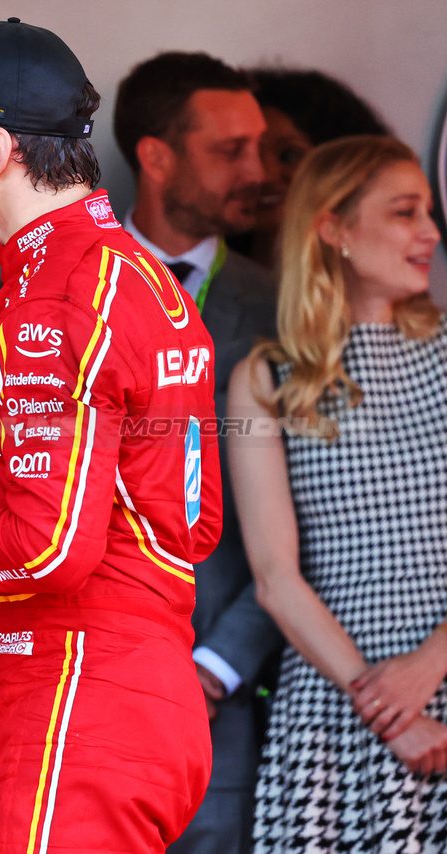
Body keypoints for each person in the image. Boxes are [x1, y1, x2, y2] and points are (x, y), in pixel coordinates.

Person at [0, 19, 224, 853]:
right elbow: (154, 520)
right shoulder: (133, 274)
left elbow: (51, 545)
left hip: (78, 700)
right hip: (127, 690)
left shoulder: (55, 297)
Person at [227, 135, 447, 850]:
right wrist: (385, 704)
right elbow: (274, 578)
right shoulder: (265, 380)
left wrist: (429, 665)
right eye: (404, 212)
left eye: (428, 212)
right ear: (334, 228)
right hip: (333, 711)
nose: (430, 233)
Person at [112, 51, 280, 854]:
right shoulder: (71, 287)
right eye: (230, 150)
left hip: (229, 700)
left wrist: (218, 665)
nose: (258, 170)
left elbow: (323, 513)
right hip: (86, 696)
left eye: (262, 148)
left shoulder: (287, 305)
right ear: (155, 155)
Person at [233, 68, 389, 268]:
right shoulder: (196, 283)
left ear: (344, 166)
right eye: (246, 154)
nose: (265, 175)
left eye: (289, 155)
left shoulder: (374, 286)